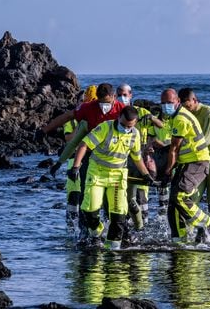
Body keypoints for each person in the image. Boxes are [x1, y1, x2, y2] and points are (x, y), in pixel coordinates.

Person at [69, 106, 155, 249]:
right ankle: (97, 231)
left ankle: (113, 249)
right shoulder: (105, 128)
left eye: (130, 126)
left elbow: (137, 157)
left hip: (117, 176)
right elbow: (84, 145)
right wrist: (76, 167)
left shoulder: (135, 134)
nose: (126, 128)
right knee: (90, 208)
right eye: (123, 125)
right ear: (119, 117)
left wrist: (146, 175)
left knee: (119, 214)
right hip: (97, 173)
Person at [161, 88, 210, 244]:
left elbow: (174, 149)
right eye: (163, 103)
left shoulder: (181, 119)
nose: (165, 106)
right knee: (173, 204)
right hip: (186, 162)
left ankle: (205, 222)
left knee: (179, 196)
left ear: (177, 101)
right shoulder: (172, 116)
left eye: (169, 103)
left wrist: (168, 171)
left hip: (198, 161)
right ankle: (179, 239)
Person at [178, 88, 210, 234]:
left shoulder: (209, 113)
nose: (185, 109)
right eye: (182, 106)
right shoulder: (184, 115)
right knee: (191, 200)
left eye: (187, 105)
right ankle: (193, 231)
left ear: (194, 100)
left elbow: (205, 140)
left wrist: (180, 150)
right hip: (197, 162)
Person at [116, 83, 163, 230]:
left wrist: (151, 117)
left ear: (131, 95)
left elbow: (161, 125)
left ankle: (143, 224)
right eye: (119, 94)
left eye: (125, 94)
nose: (122, 97)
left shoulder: (141, 111)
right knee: (125, 192)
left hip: (141, 155)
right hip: (122, 155)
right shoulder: (115, 111)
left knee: (142, 192)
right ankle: (127, 222)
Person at [63, 85, 97, 228]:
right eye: (81, 101)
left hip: (93, 161)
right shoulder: (71, 120)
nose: (84, 104)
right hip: (74, 160)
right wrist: (80, 127)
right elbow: (69, 139)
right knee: (74, 195)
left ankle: (88, 226)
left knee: (89, 195)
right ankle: (71, 227)